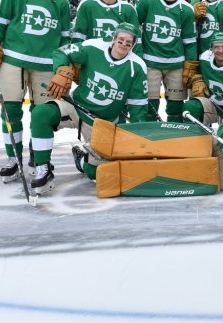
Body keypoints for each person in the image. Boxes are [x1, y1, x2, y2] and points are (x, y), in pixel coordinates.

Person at [0, 0, 71, 183]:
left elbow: (64, 38)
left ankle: (39, 159)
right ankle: (14, 158)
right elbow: (0, 20)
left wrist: (64, 63)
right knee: (10, 112)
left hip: (45, 64)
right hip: (13, 59)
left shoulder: (59, 1)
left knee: (43, 115)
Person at [30, 23, 151, 194]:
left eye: (128, 42)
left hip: (102, 124)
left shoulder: (137, 66)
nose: (123, 44)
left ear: (133, 46)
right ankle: (43, 167)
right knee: (41, 114)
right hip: (75, 107)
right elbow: (61, 51)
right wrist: (61, 68)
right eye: (121, 40)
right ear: (113, 39)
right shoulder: (93, 47)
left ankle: (81, 158)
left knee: (95, 173)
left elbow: (137, 105)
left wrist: (138, 139)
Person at [135, 0, 196, 122]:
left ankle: (173, 138)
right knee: (149, 107)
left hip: (176, 63)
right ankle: (150, 139)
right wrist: (138, 55)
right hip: (150, 61)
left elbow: (189, 41)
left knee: (176, 108)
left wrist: (190, 64)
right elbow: (134, 28)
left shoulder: (187, 9)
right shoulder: (147, 0)